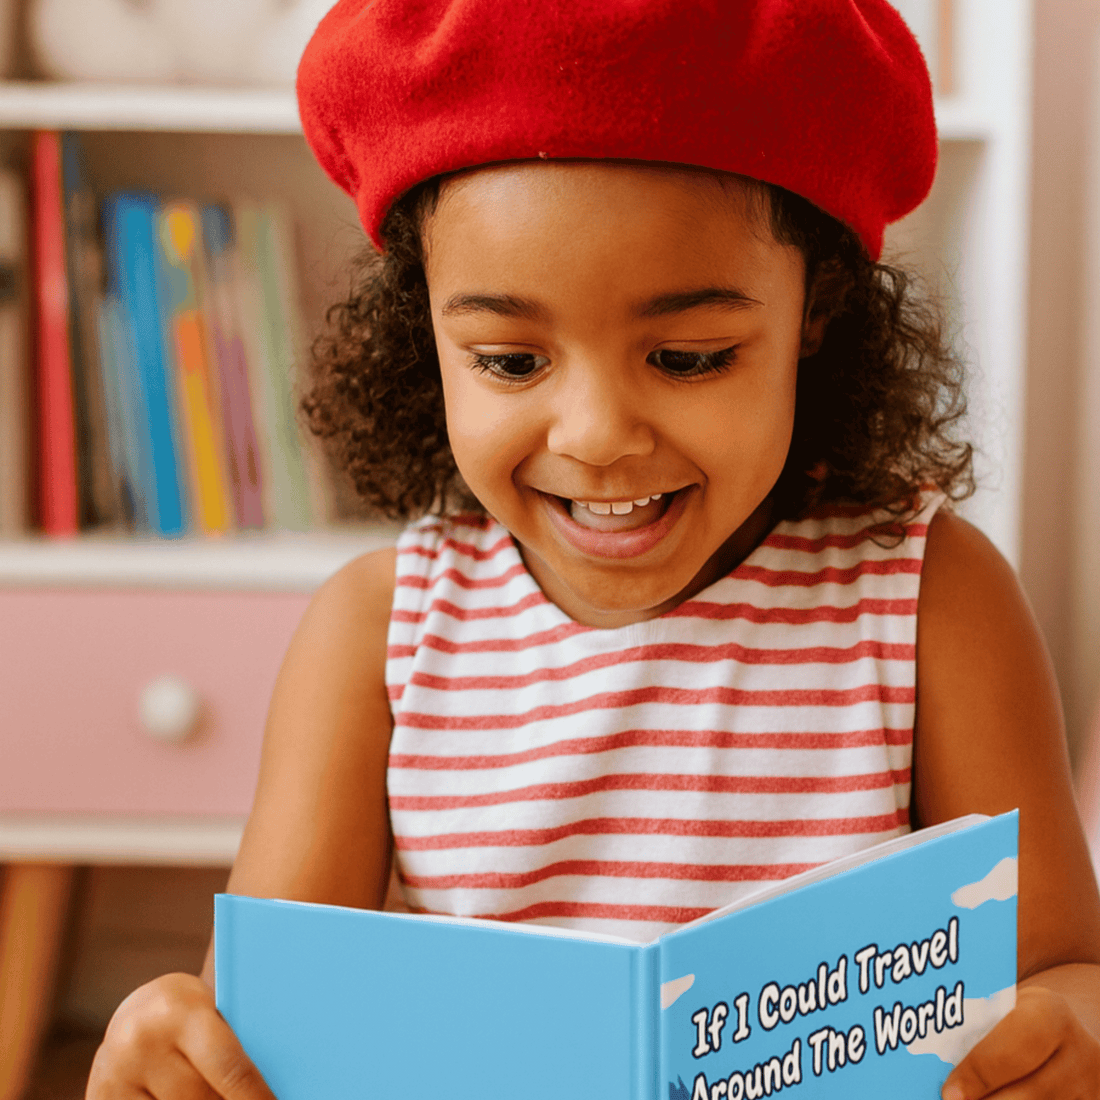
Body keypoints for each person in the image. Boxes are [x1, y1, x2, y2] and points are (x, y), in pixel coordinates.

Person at [87, 1, 1100, 1097]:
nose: (598, 435)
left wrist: (1064, 1035)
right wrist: (169, 1045)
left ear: (816, 312)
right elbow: (253, 1027)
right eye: (510, 363)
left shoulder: (927, 597)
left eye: (686, 355)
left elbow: (1059, 971)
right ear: (421, 333)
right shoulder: (378, 631)